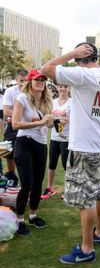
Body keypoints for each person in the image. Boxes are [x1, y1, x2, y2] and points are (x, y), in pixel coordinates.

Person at [41, 42, 100, 264]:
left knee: (85, 199)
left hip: (84, 148)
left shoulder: (83, 75)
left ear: (82, 57)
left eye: (78, 54)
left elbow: (46, 69)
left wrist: (71, 54)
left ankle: (87, 248)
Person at [12, 69, 54, 236]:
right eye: (37, 80)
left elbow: (47, 125)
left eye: (43, 80)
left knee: (38, 183)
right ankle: (19, 220)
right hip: (24, 143)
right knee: (27, 184)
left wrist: (53, 122)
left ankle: (33, 215)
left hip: (41, 145)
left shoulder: (47, 102)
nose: (40, 83)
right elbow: (15, 124)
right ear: (30, 82)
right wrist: (40, 122)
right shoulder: (22, 98)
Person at [41, 83, 72, 200]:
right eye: (60, 86)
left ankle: (68, 190)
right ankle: (50, 188)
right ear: (57, 88)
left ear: (69, 88)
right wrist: (51, 121)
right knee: (51, 164)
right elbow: (49, 123)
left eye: (65, 86)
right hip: (54, 138)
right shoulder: (53, 102)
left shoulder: (72, 103)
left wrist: (64, 120)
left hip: (67, 138)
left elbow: (75, 120)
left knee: (66, 165)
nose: (63, 89)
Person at [3, 69, 27, 185]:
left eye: (25, 80)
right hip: (12, 126)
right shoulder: (10, 91)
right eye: (21, 80)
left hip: (27, 127)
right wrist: (20, 114)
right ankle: (11, 175)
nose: (23, 83)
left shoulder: (31, 91)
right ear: (16, 80)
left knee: (23, 155)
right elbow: (7, 111)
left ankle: (26, 177)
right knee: (8, 152)